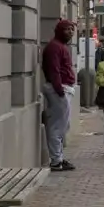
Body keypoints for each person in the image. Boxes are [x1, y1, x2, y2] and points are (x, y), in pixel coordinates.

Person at [41, 19, 77, 172]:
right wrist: (59, 89)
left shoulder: (60, 46)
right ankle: (56, 161)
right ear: (59, 30)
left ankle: (59, 158)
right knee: (57, 126)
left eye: (72, 29)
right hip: (59, 89)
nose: (71, 32)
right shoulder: (54, 47)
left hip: (63, 88)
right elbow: (53, 70)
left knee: (63, 125)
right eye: (67, 29)